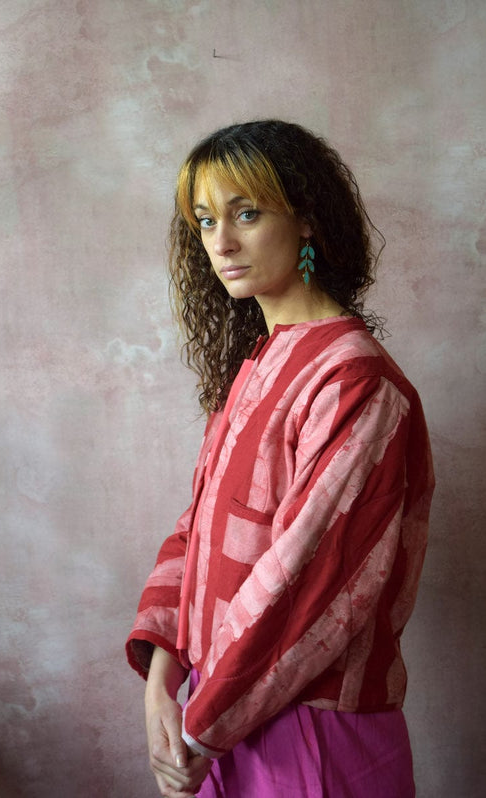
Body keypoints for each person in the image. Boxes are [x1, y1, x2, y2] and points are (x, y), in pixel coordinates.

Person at [126, 120, 434, 798]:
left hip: (310, 729)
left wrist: (200, 727)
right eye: (205, 221)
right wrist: (161, 685)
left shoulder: (353, 382)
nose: (221, 243)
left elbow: (308, 587)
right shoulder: (258, 364)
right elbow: (196, 533)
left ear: (306, 220)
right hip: (221, 712)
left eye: (246, 214)